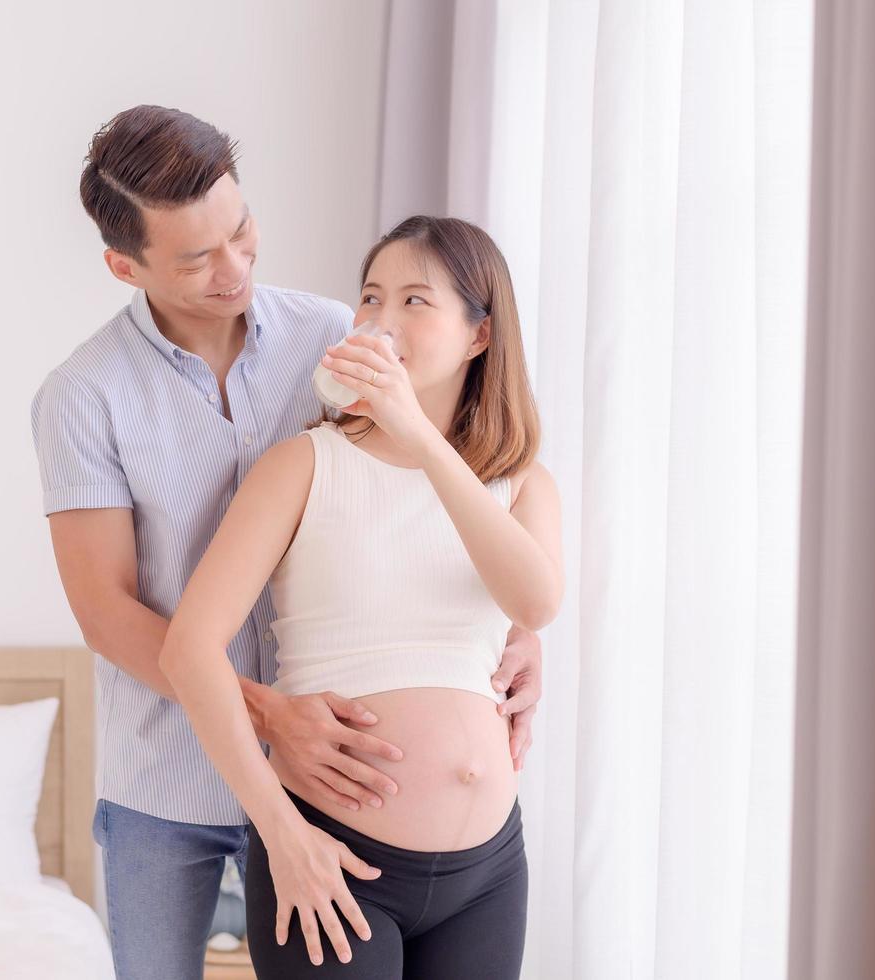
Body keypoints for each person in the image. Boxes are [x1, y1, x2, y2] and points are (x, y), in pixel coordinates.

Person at [30, 106, 546, 980]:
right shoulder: (84, 396)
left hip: (345, 786)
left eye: (240, 232)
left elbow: (421, 499)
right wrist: (269, 714)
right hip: (173, 779)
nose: (232, 268)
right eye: (195, 258)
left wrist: (514, 634)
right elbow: (107, 611)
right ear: (126, 266)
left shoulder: (331, 333)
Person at [160, 214, 562, 979]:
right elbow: (188, 650)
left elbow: (535, 604)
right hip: (330, 855)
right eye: (370, 298)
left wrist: (423, 445)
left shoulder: (521, 484)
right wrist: (282, 835)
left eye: (415, 300)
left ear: (479, 336)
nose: (380, 320)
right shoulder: (303, 465)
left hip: (488, 872)